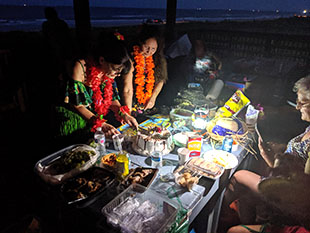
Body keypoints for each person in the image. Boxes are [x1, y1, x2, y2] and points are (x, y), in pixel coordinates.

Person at [220, 75, 310, 232]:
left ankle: (216, 222)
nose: (297, 107)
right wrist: (273, 158)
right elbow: (294, 166)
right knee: (246, 197)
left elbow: (301, 191)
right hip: (282, 182)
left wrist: (274, 170)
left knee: (238, 177)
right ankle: (230, 221)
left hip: (290, 199)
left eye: (302, 103)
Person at [53, 33, 138, 145]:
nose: (118, 74)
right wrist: (100, 124)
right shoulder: (80, 67)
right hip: (71, 118)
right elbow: (77, 105)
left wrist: (124, 114)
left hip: (92, 119)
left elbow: (111, 99)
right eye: (116, 69)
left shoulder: (108, 72)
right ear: (102, 60)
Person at [120, 24, 168, 114]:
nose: (149, 52)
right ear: (140, 42)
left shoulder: (158, 58)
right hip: (129, 102)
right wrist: (128, 112)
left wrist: (152, 98)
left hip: (146, 104)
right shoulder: (130, 58)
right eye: (146, 47)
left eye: (153, 48)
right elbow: (127, 89)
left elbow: (161, 79)